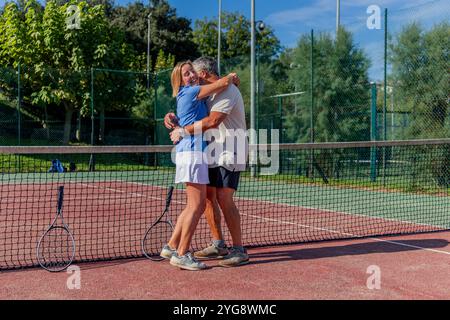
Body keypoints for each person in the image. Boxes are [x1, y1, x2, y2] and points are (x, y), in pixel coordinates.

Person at [165, 56, 249, 267]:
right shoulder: (205, 94)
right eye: (188, 73)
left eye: (194, 72)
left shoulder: (228, 91)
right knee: (209, 198)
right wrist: (174, 117)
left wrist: (182, 130)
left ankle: (238, 249)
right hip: (209, 152)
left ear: (202, 74)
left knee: (223, 198)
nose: (193, 76)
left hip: (230, 151)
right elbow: (190, 109)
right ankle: (218, 244)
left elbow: (212, 121)